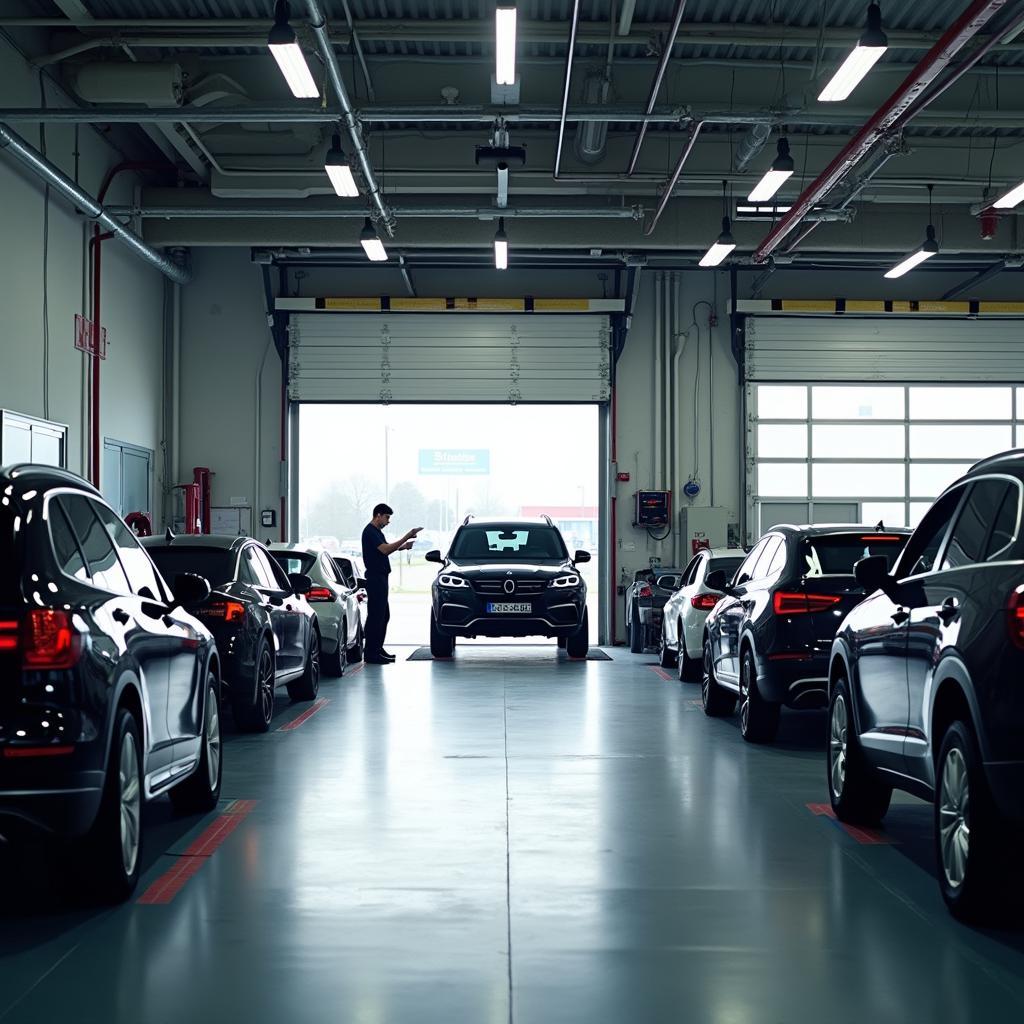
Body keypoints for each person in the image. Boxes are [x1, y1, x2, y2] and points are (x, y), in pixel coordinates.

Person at [361, 502, 422, 664]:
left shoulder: (377, 532)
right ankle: (371, 653)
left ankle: (377, 649)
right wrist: (407, 535)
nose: (388, 521)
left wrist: (403, 547)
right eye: (387, 517)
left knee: (383, 615)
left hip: (381, 578)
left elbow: (384, 548)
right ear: (378, 515)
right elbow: (385, 550)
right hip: (375, 578)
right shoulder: (370, 532)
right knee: (376, 616)